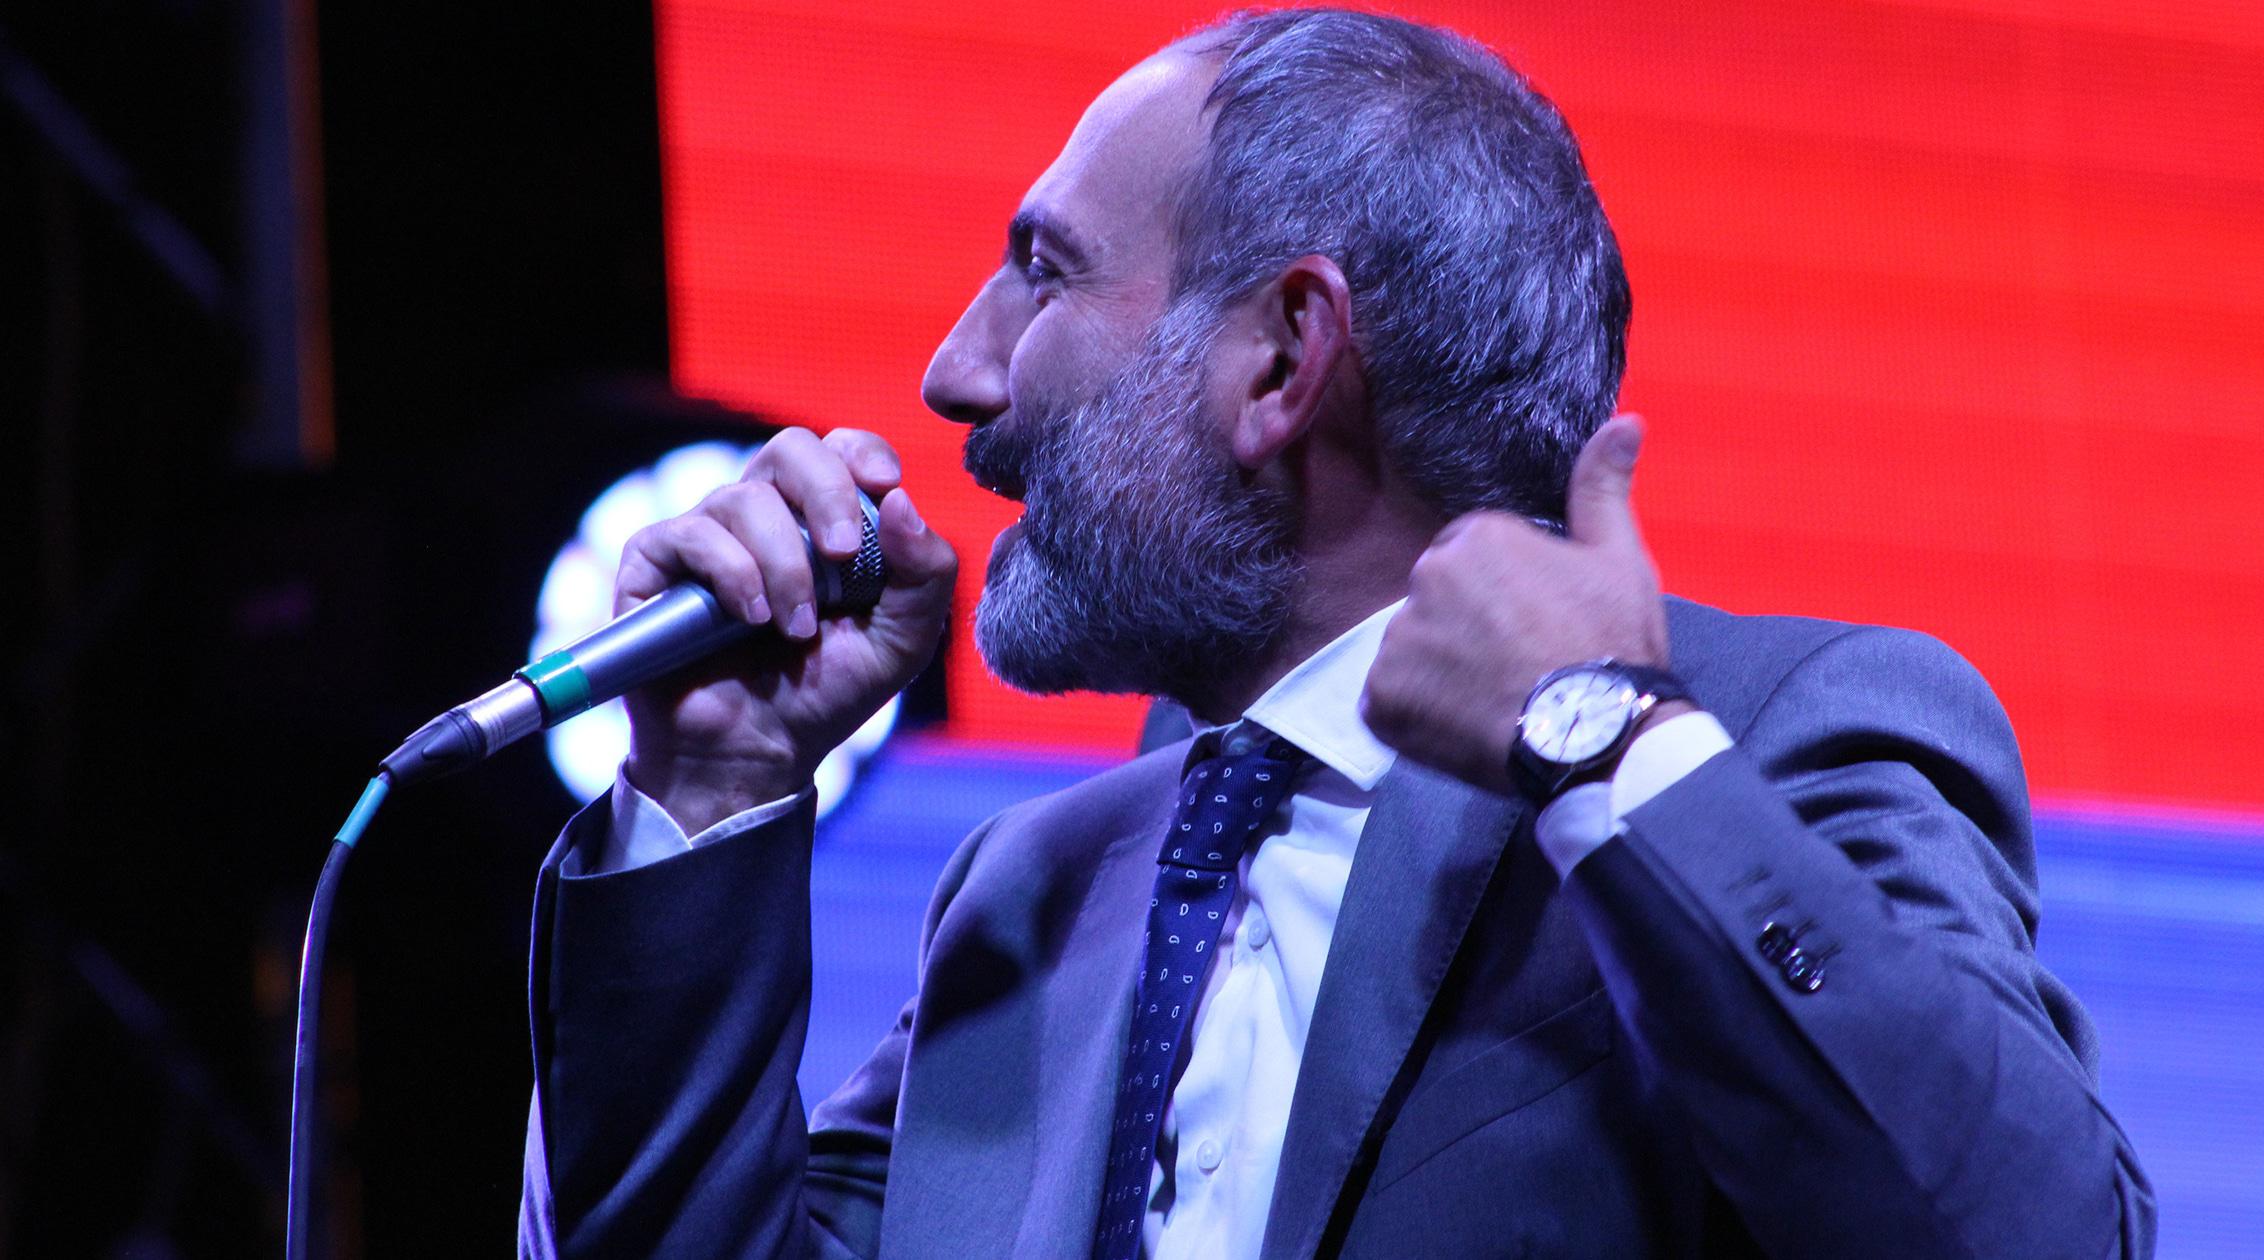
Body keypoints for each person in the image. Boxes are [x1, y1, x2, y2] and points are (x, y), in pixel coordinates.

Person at [519, 9, 2154, 1257]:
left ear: (1285, 358)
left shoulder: (1769, 734)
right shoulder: (1031, 894)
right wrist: (714, 788)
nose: (959, 374)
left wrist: (1603, 742)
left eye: (1043, 273)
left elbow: (2037, 1236)